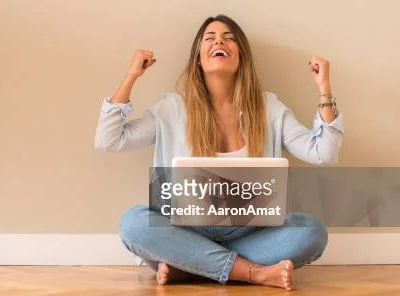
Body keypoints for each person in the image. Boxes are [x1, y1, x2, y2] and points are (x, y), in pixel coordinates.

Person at [94, 14, 344, 291]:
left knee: (312, 232)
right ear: (198, 59)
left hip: (249, 232)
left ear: (241, 56)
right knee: (133, 223)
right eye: (210, 38)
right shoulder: (172, 108)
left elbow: (324, 153)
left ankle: (189, 265)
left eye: (228, 38)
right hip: (184, 229)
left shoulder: (268, 107)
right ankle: (252, 272)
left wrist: (324, 89)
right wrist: (132, 76)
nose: (219, 42)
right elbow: (109, 139)